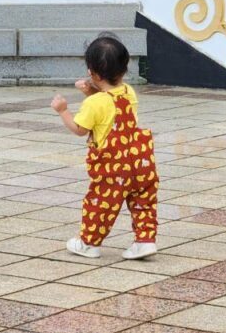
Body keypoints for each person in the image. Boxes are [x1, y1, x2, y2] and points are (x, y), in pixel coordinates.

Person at [51, 34, 158, 260]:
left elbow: (80, 129)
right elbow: (111, 106)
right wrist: (92, 90)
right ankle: (145, 240)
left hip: (114, 167)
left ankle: (88, 243)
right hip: (140, 162)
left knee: (100, 204)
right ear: (124, 68)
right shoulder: (129, 92)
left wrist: (63, 110)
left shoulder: (94, 103)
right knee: (142, 201)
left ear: (93, 73)